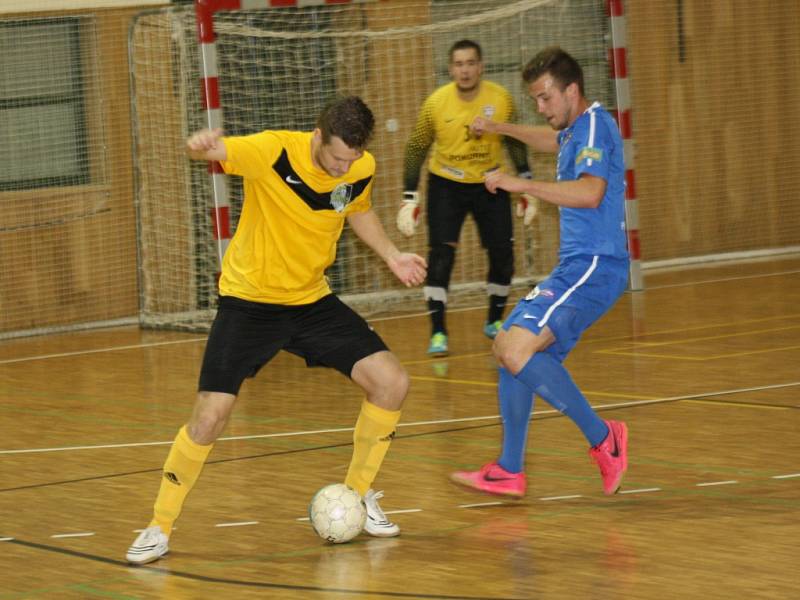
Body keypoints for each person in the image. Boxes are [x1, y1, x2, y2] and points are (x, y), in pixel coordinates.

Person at [126, 96, 427, 565]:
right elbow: (217, 151)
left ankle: (358, 496)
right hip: (249, 303)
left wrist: (392, 256)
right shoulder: (273, 151)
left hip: (311, 301)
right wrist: (202, 144)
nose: (341, 168)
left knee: (392, 383)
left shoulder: (359, 166)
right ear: (316, 135)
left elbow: (356, 209)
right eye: (335, 158)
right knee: (209, 418)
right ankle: (158, 526)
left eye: (351, 159)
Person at [450, 47, 630, 498]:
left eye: (546, 98)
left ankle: (604, 439)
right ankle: (509, 469)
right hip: (578, 266)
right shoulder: (575, 128)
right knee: (511, 345)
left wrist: (522, 184)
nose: (542, 108)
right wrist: (500, 128)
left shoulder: (593, 124)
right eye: (536, 100)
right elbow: (551, 141)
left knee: (515, 348)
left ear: (572, 90)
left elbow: (590, 193)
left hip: (596, 264)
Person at [397, 39, 533, 357]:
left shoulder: (500, 98)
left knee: (502, 253)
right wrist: (409, 197)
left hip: (491, 182)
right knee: (441, 257)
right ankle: (438, 333)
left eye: (471, 63)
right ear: (451, 69)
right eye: (459, 64)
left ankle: (493, 321)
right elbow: (416, 148)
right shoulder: (435, 103)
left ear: (481, 66)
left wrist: (525, 183)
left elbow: (514, 141)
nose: (465, 70)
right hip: (446, 185)